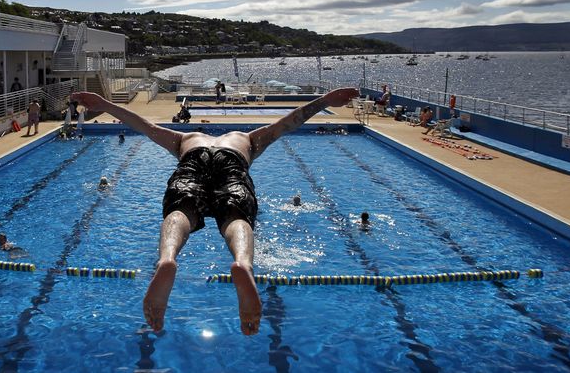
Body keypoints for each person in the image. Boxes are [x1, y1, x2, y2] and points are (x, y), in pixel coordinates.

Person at [70, 87, 358, 336]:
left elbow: (143, 125)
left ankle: (167, 259)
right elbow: (288, 122)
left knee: (180, 210)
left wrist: (104, 104)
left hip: (191, 161)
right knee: (236, 216)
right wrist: (325, 100)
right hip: (234, 163)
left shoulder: (185, 138)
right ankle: (243, 264)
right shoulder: (247, 139)